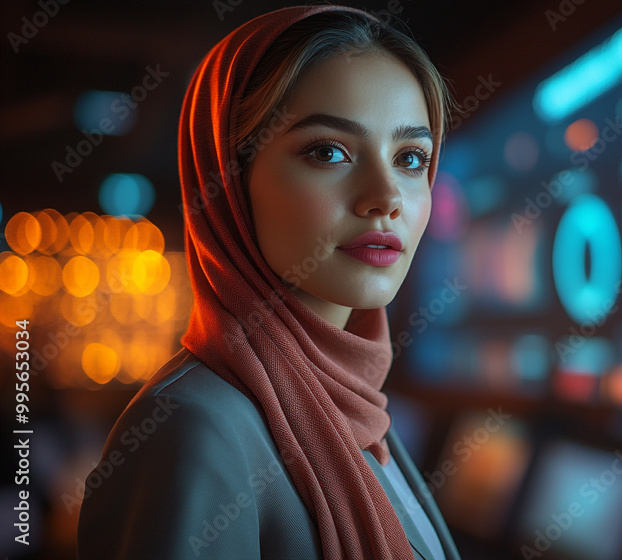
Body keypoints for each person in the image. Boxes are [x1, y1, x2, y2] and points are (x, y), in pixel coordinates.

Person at [77, 5, 459, 559]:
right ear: (228, 182)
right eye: (328, 151)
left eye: (410, 157)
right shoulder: (191, 431)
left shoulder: (358, 409)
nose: (386, 196)